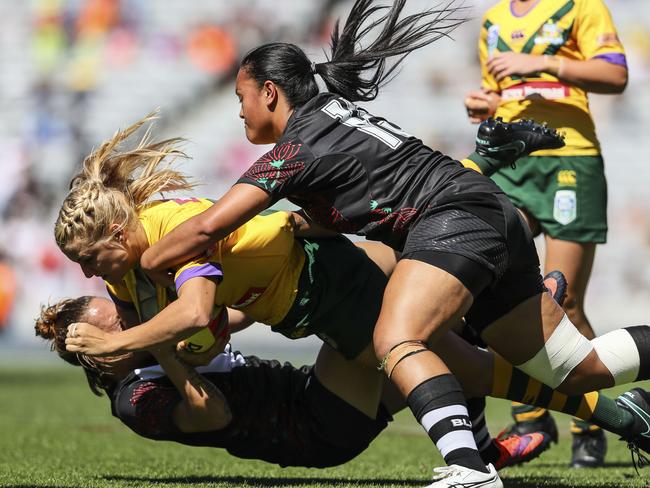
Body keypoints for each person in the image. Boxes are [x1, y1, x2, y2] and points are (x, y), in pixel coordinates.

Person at [123, 1, 649, 486]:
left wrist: (145, 261)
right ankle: (631, 414)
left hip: (454, 218)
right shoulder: (331, 118)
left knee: (397, 339)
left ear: (269, 92)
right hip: (484, 211)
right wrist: (301, 225)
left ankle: (470, 469)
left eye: (241, 98)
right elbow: (349, 203)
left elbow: (206, 227)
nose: (239, 111)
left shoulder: (297, 147)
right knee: (578, 370)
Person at [39, 294, 650, 473]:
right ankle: (498, 302)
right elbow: (213, 415)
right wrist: (160, 347)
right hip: (313, 431)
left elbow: (227, 320)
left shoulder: (158, 352)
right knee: (374, 319)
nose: (132, 321)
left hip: (315, 398)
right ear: (100, 354)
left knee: (441, 347)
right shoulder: (133, 397)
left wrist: (266, 290)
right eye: (118, 324)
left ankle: (621, 417)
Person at [463, 0, 629, 468]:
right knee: (489, 285)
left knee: (566, 301)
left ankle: (594, 424)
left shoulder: (580, 7)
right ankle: (533, 417)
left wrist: (544, 62)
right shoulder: (495, 18)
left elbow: (615, 76)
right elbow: (501, 93)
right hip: (512, 164)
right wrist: (486, 104)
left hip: (569, 163)